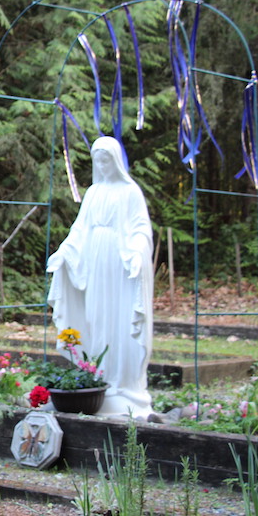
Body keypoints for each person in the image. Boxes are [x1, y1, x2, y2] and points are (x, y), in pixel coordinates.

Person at [46, 135, 154, 418]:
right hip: (94, 259)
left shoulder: (130, 192)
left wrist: (137, 253)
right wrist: (64, 251)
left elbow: (141, 229)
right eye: (98, 160)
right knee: (96, 316)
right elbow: (79, 229)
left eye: (106, 160)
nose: (102, 165)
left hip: (119, 262)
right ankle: (98, 376)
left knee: (118, 319)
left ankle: (122, 381)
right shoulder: (93, 192)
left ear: (116, 161)